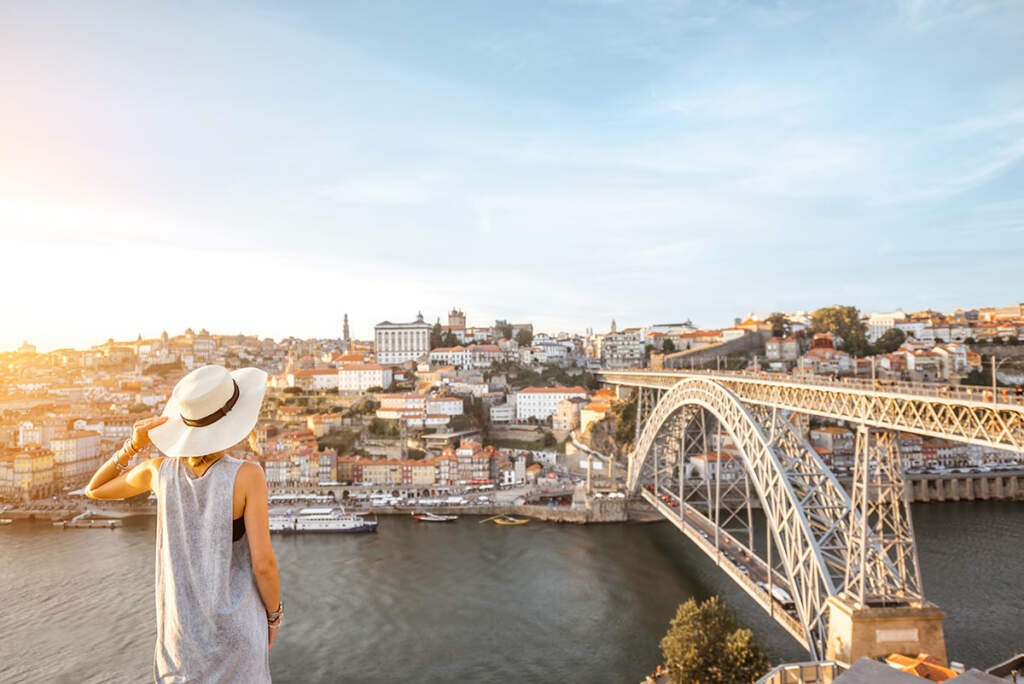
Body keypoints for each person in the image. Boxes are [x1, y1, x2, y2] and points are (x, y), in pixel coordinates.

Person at [86, 365, 279, 683]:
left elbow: (96, 488)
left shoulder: (157, 471)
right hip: (238, 631)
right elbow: (264, 565)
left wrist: (132, 446)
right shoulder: (248, 476)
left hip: (182, 639)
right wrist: (274, 617)